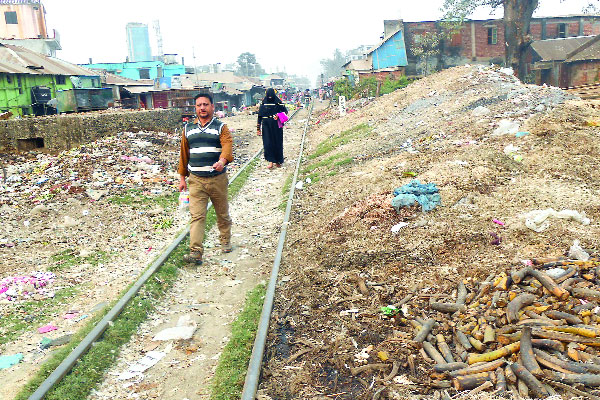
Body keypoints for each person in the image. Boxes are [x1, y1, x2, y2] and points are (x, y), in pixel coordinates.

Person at [178, 93, 234, 265]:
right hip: (196, 180)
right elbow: (184, 154)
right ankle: (196, 252)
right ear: (195, 108)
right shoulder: (188, 129)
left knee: (222, 214)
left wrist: (222, 160)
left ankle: (225, 240)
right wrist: (182, 178)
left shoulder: (221, 127)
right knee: (197, 216)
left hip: (217, 179)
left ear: (212, 107)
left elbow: (227, 145)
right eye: (199, 105)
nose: (202, 108)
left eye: (205, 104)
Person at [257, 88, 288, 169]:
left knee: (277, 143)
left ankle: (278, 161)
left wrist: (278, 115)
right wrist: (258, 129)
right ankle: (271, 161)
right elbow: (259, 116)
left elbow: (285, 112)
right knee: (268, 144)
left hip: (276, 126)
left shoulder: (278, 102)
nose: (270, 97)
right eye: (268, 95)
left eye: (271, 95)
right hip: (266, 126)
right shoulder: (263, 103)